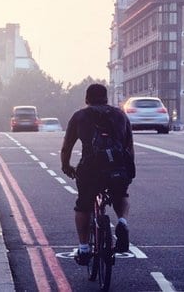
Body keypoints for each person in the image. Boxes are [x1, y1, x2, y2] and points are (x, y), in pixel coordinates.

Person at [60, 83, 134, 265]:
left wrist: (66, 166)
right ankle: (123, 222)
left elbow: (67, 146)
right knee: (121, 195)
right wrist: (129, 170)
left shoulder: (80, 116)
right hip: (117, 167)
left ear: (87, 99)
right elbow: (129, 146)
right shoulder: (120, 115)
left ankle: (84, 248)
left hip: (90, 168)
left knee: (83, 206)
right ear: (106, 98)